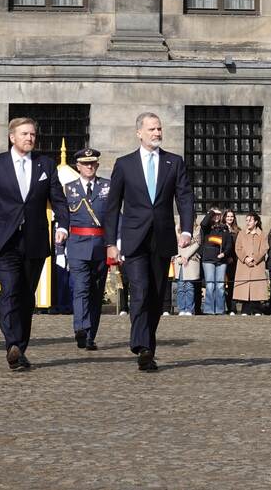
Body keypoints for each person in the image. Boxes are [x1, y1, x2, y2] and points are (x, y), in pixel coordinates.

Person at [0, 117, 69, 370]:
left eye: (33, 134)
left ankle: (20, 348)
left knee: (27, 296)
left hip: (35, 239)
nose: (30, 138)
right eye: (25, 134)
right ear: (12, 137)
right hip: (5, 240)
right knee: (10, 290)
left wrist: (62, 225)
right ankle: (12, 344)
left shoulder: (45, 164)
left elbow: (58, 199)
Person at [104, 112, 194, 371]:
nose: (157, 133)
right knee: (140, 289)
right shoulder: (125, 164)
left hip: (162, 238)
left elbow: (185, 197)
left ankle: (147, 348)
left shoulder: (173, 162)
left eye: (159, 128)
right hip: (134, 238)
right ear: (139, 133)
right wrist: (111, 241)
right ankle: (141, 345)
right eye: (152, 129)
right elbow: (112, 207)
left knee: (155, 295)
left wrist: (186, 229)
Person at [63, 147, 110, 350]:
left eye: (92, 163)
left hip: (101, 245)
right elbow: (62, 218)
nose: (89, 167)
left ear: (97, 165)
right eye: (85, 164)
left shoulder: (108, 186)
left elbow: (115, 216)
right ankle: (80, 328)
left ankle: (90, 335)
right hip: (77, 243)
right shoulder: (69, 188)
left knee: (96, 292)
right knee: (81, 287)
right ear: (78, 166)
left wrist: (115, 244)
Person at [200, 207, 234, 315]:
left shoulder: (224, 229)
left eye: (219, 215)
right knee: (210, 285)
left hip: (221, 260)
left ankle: (220, 309)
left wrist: (224, 253)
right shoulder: (207, 228)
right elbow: (203, 223)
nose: (217, 217)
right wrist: (212, 212)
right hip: (208, 260)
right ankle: (209, 309)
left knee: (220, 285)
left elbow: (229, 244)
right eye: (215, 215)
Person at [233, 212, 268, 315]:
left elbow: (264, 248)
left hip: (257, 264)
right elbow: (238, 248)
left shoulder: (262, 234)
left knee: (256, 287)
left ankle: (257, 309)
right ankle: (246, 309)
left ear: (256, 222)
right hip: (244, 265)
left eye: (250, 220)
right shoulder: (241, 233)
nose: (248, 222)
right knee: (245, 288)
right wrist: (245, 258)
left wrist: (255, 259)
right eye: (247, 220)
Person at [173, 220, 201, 316]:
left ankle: (189, 309)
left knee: (189, 286)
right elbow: (175, 243)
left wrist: (186, 256)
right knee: (180, 286)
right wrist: (179, 256)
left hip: (191, 260)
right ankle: (181, 309)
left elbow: (197, 243)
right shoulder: (177, 228)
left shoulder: (197, 229)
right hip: (180, 260)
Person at [223, 209, 240, 315]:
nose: (230, 218)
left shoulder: (237, 231)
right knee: (221, 285)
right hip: (222, 259)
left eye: (232, 216)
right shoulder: (220, 229)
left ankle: (232, 308)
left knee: (232, 285)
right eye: (228, 216)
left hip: (233, 261)